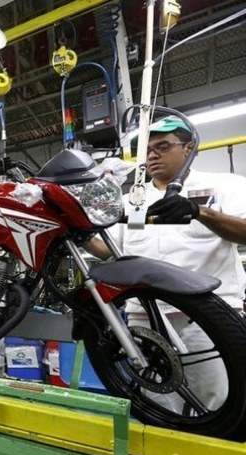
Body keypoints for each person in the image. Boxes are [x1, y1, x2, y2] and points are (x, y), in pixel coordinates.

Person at [88, 116, 246, 412]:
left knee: (219, 401)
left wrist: (200, 212)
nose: (152, 155)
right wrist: (78, 228)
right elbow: (108, 250)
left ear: (188, 148)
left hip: (207, 317)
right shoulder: (132, 201)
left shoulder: (223, 185)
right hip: (145, 317)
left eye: (162, 147)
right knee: (158, 405)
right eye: (147, 150)